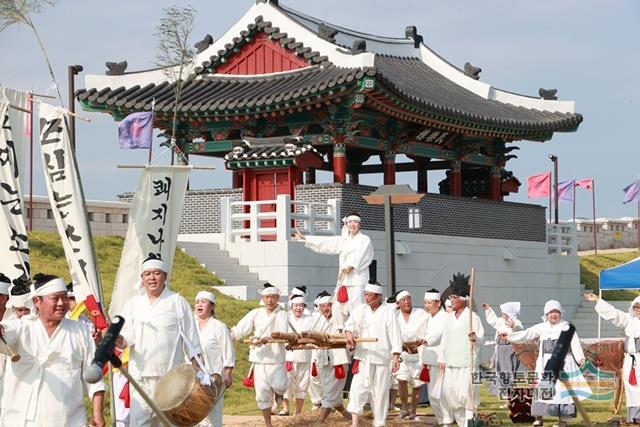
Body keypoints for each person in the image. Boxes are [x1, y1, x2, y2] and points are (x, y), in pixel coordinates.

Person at [0, 274, 105, 426]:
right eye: (55, 298)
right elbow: (5, 332)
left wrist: (97, 414)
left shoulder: (81, 332)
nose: (62, 303)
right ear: (37, 301)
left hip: (68, 420)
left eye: (65, 298)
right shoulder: (21, 327)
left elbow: (95, 377)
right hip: (21, 420)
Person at [117, 257, 203, 427]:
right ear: (142, 278)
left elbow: (192, 341)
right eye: (147, 274)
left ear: (165, 276)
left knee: (168, 423)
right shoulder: (133, 304)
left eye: (156, 273)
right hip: (140, 376)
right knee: (139, 422)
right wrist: (119, 339)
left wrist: (198, 371)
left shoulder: (177, 302)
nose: (152, 278)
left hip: (171, 378)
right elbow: (127, 336)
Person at [508, 300, 591, 427]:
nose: (553, 315)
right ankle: (539, 418)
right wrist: (508, 336)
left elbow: (575, 343)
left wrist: (580, 358)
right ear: (546, 314)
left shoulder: (566, 327)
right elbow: (525, 335)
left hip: (564, 364)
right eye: (551, 312)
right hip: (545, 364)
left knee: (563, 392)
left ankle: (563, 420)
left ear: (560, 313)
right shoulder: (541, 327)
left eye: (556, 312)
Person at [296, 212, 374, 328]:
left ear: (360, 224)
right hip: (343, 279)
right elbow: (327, 242)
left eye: (355, 222)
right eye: (350, 222)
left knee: (357, 305)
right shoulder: (344, 240)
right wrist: (306, 238)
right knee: (338, 306)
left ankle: (358, 328)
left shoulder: (364, 239)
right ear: (346, 224)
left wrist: (352, 265)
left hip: (357, 279)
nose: (353, 225)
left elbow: (363, 254)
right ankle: (339, 328)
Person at [344, 281, 402, 427]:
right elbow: (349, 325)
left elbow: (395, 335)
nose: (366, 298)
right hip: (363, 357)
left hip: (382, 359)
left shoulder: (388, 312)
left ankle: (380, 423)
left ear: (378, 296)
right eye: (365, 295)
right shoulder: (361, 310)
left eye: (369, 295)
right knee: (357, 389)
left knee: (380, 392)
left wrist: (395, 357)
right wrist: (349, 333)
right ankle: (355, 423)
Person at [231, 283, 288, 427]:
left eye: (273, 297)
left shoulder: (282, 314)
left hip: (276, 357)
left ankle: (279, 397)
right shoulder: (256, 313)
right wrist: (231, 335)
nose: (270, 300)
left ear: (277, 298)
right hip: (260, 358)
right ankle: (268, 424)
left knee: (280, 386)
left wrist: (267, 339)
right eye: (267, 297)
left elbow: (282, 333)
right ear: (263, 298)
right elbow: (241, 328)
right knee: (262, 393)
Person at [585, 292, 640, 424]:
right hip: (630, 361)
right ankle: (634, 417)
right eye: (636, 307)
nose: (638, 310)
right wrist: (598, 300)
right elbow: (614, 313)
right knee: (632, 389)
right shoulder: (629, 320)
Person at [439, 273, 484, 426]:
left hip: (467, 364)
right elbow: (445, 339)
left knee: (467, 395)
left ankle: (469, 422)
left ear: (463, 299)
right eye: (451, 297)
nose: (451, 300)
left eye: (454, 297)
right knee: (450, 394)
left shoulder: (473, 318)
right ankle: (459, 421)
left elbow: (481, 339)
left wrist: (475, 338)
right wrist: (442, 359)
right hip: (451, 362)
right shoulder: (449, 317)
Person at [194, 290, 235, 427]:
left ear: (212, 306)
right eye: (197, 302)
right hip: (193, 378)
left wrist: (228, 373)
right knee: (193, 414)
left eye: (203, 302)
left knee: (212, 416)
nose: (199, 305)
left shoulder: (220, 327)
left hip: (214, 378)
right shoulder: (190, 326)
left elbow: (228, 351)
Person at [311, 291, 351, 421]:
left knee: (330, 391)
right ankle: (347, 415)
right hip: (322, 359)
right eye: (322, 307)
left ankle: (320, 421)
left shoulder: (341, 318)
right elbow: (307, 336)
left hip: (338, 359)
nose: (325, 309)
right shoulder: (316, 321)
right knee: (329, 391)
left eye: (328, 305)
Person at [394, 290, 428, 421]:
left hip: (417, 354)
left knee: (417, 385)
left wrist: (422, 339)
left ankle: (413, 411)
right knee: (401, 379)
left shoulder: (421, 314)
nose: (407, 302)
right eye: (403, 300)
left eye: (408, 299)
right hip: (402, 353)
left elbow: (427, 329)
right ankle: (404, 409)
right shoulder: (395, 316)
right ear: (398, 303)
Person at [282, 294, 312, 416]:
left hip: (304, 356)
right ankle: (285, 409)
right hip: (288, 356)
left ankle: (298, 411)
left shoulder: (310, 319)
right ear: (291, 306)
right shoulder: (285, 319)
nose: (298, 308)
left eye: (300, 305)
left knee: (302, 384)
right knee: (286, 382)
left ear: (304, 306)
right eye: (296, 305)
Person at [421, 288, 447, 425]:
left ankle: (445, 418)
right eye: (425, 303)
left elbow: (438, 335)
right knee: (432, 394)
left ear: (438, 303)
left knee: (439, 393)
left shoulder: (444, 317)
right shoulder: (427, 317)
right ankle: (440, 418)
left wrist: (425, 340)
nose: (426, 306)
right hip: (429, 359)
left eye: (429, 303)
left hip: (440, 360)